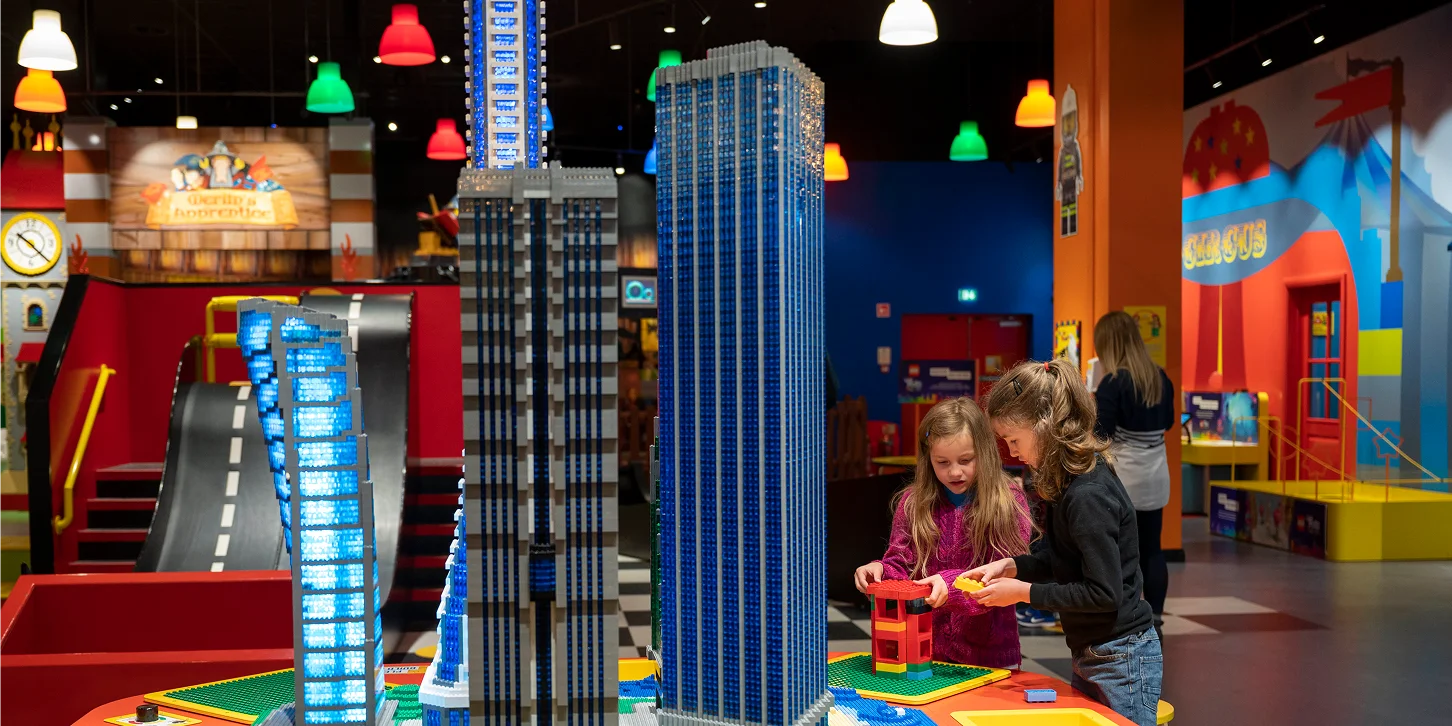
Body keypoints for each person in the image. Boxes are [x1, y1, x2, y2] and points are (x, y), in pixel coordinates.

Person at [968, 359, 1162, 726]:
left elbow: (1103, 594)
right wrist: (1012, 566)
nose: (1011, 452)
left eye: (1014, 440)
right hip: (1095, 652)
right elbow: (1060, 557)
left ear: (1044, 426)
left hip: (1120, 656)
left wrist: (1023, 592)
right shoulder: (1068, 480)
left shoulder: (1087, 495)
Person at [853, 397, 1032, 669]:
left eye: (965, 460)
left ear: (984, 452)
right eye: (943, 462)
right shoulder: (914, 502)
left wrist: (949, 586)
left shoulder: (1007, 501)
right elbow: (901, 564)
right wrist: (879, 572)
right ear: (928, 459)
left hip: (990, 658)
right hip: (923, 654)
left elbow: (1001, 576)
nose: (955, 471)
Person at [1092, 311, 1175, 635]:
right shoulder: (1159, 378)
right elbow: (1168, 422)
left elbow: (1102, 433)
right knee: (1153, 548)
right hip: (1157, 474)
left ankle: (1121, 610)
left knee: (1119, 549)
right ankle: (1155, 615)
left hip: (1124, 477)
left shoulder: (1113, 383)